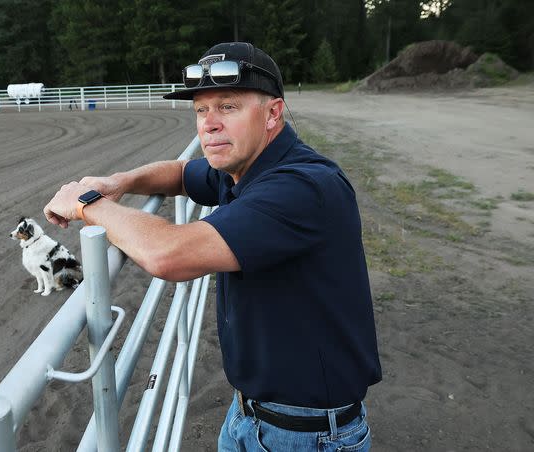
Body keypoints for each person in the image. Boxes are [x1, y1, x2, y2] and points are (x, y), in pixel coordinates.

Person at [43, 42, 382, 451]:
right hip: (250, 412)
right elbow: (184, 172)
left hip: (307, 433)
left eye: (228, 107)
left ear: (273, 113)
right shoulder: (245, 165)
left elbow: (167, 253)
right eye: (201, 110)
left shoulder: (302, 187)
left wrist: (87, 204)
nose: (209, 124)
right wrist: (117, 183)